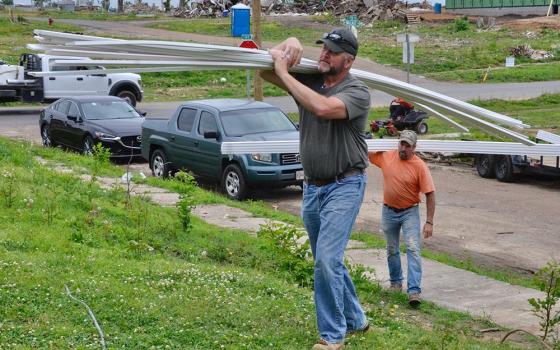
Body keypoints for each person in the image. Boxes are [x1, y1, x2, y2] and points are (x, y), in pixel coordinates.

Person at [260, 28, 371, 350]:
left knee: (325, 259)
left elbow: (324, 108)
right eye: (323, 48)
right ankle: (357, 319)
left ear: (348, 60)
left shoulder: (357, 91)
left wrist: (285, 70)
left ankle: (332, 337)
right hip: (312, 187)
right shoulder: (309, 81)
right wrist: (289, 43)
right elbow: (262, 69)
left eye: (332, 52)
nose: (323, 54)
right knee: (328, 260)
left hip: (345, 184)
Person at [368, 130, 436, 306]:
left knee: (413, 248)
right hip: (388, 210)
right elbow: (367, 152)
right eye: (401, 144)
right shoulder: (388, 157)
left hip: (409, 212)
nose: (403, 148)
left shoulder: (419, 166)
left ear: (414, 147)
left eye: (407, 145)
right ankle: (396, 283)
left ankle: (414, 291)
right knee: (391, 248)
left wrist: (429, 221)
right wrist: (367, 139)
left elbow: (430, 193)